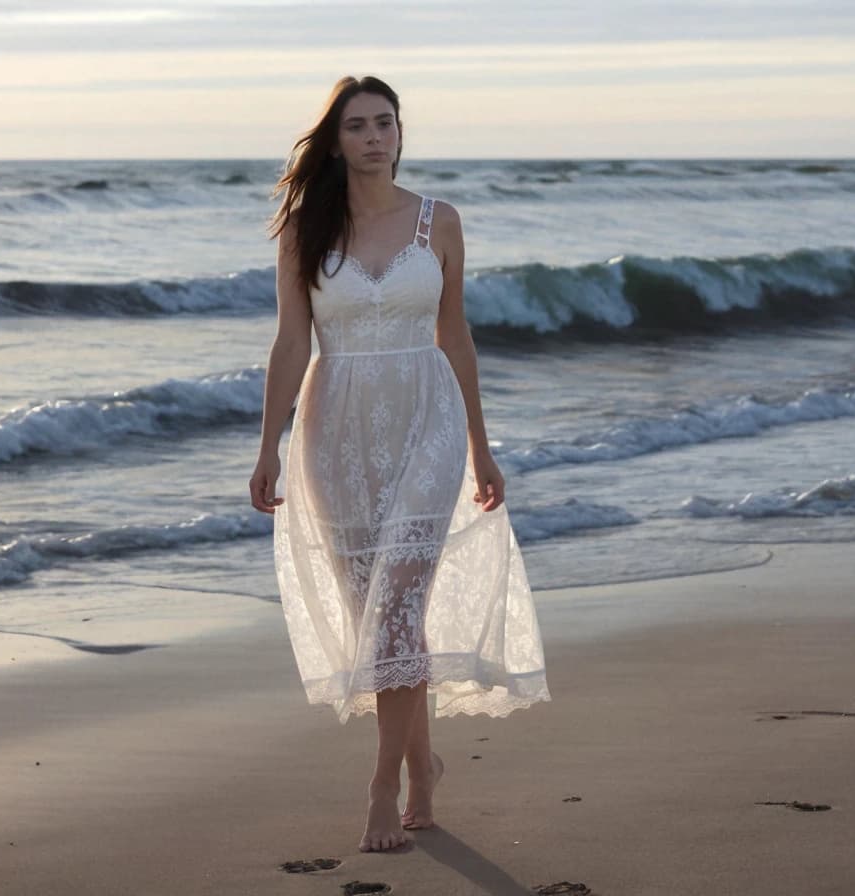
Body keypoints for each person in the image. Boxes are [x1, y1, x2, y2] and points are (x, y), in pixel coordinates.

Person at [249, 75, 550, 853]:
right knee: (371, 614)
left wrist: (482, 447)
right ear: (336, 140)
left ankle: (382, 787)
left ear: (399, 133)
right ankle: (425, 763)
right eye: (358, 126)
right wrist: (267, 448)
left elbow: (457, 337)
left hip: (430, 418)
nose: (376, 137)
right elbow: (290, 345)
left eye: (386, 123)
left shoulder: (438, 222)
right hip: (334, 429)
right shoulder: (303, 231)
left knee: (396, 611)